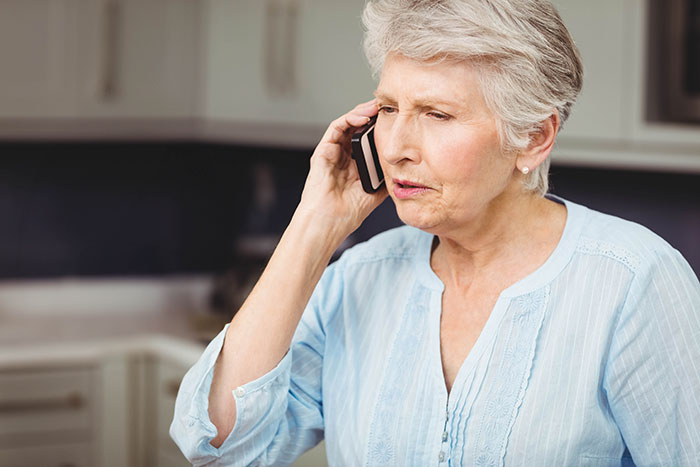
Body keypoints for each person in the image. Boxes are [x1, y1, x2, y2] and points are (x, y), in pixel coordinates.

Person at [170, 0, 700, 465]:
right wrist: (315, 224)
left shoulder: (635, 283)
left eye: (437, 114)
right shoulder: (358, 278)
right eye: (390, 108)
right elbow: (221, 445)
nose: (396, 145)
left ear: (534, 137)